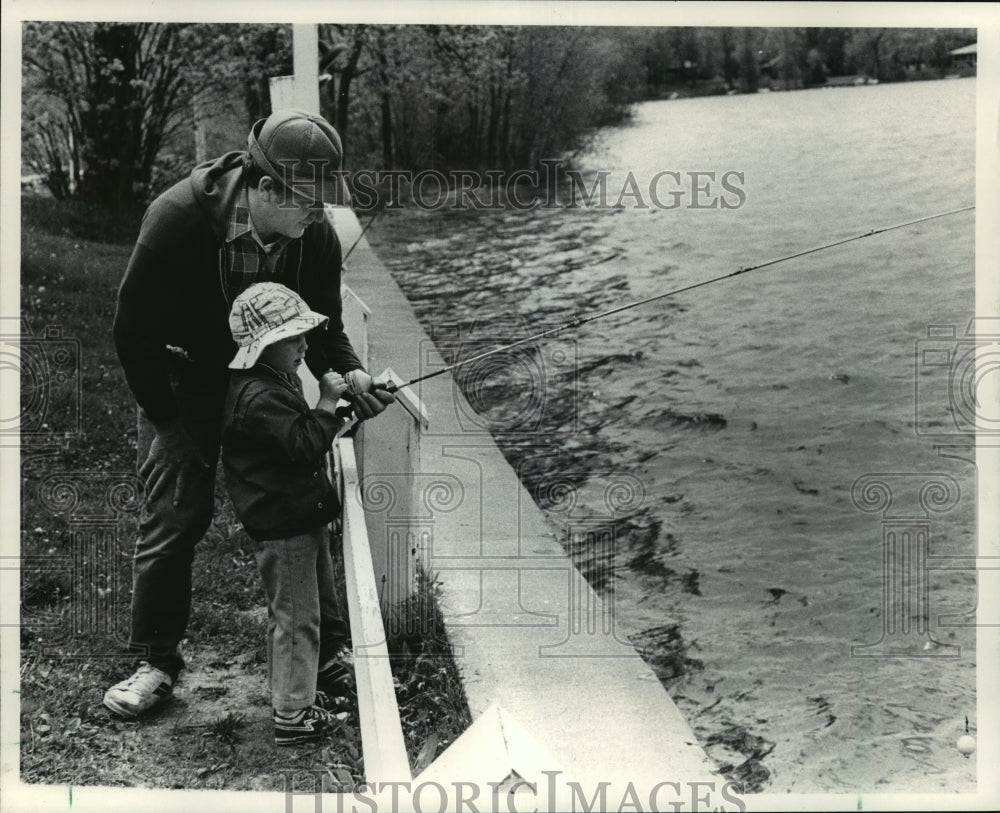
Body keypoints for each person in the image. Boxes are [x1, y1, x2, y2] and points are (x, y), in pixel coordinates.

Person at [104, 109, 396, 719]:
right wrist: (167, 425)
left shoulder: (313, 235)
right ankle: (154, 661)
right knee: (173, 515)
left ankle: (330, 651)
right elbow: (132, 334)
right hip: (185, 381)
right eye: (308, 206)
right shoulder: (176, 218)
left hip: (268, 387)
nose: (319, 219)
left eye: (323, 207)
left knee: (301, 507)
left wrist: (353, 376)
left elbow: (325, 332)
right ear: (264, 190)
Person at [222, 281, 356, 745]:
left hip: (296, 514)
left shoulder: (271, 379)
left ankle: (316, 681)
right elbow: (301, 445)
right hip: (284, 523)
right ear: (263, 346)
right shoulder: (259, 397)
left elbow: (298, 436)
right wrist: (325, 404)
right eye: (294, 338)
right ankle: (292, 717)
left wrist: (336, 413)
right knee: (298, 617)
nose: (305, 345)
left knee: (311, 605)